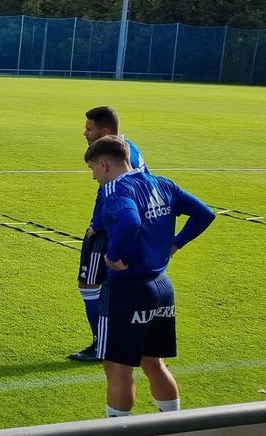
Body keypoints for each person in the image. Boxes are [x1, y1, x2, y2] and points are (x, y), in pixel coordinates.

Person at [83, 136, 214, 418]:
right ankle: (172, 424)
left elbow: (130, 220)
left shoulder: (115, 190)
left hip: (127, 290)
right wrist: (177, 242)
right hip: (162, 286)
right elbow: (204, 213)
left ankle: (118, 427)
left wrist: (113, 256)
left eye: (93, 168)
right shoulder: (162, 183)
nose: (93, 176)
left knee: (117, 368)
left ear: (104, 164)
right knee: (154, 363)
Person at [70, 106, 149, 362]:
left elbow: (121, 192)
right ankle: (112, 341)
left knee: (90, 284)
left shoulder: (119, 159)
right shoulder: (127, 149)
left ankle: (102, 345)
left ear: (104, 131)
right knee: (107, 286)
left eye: (89, 128)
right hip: (121, 226)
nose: (85, 132)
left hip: (110, 229)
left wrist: (99, 224)